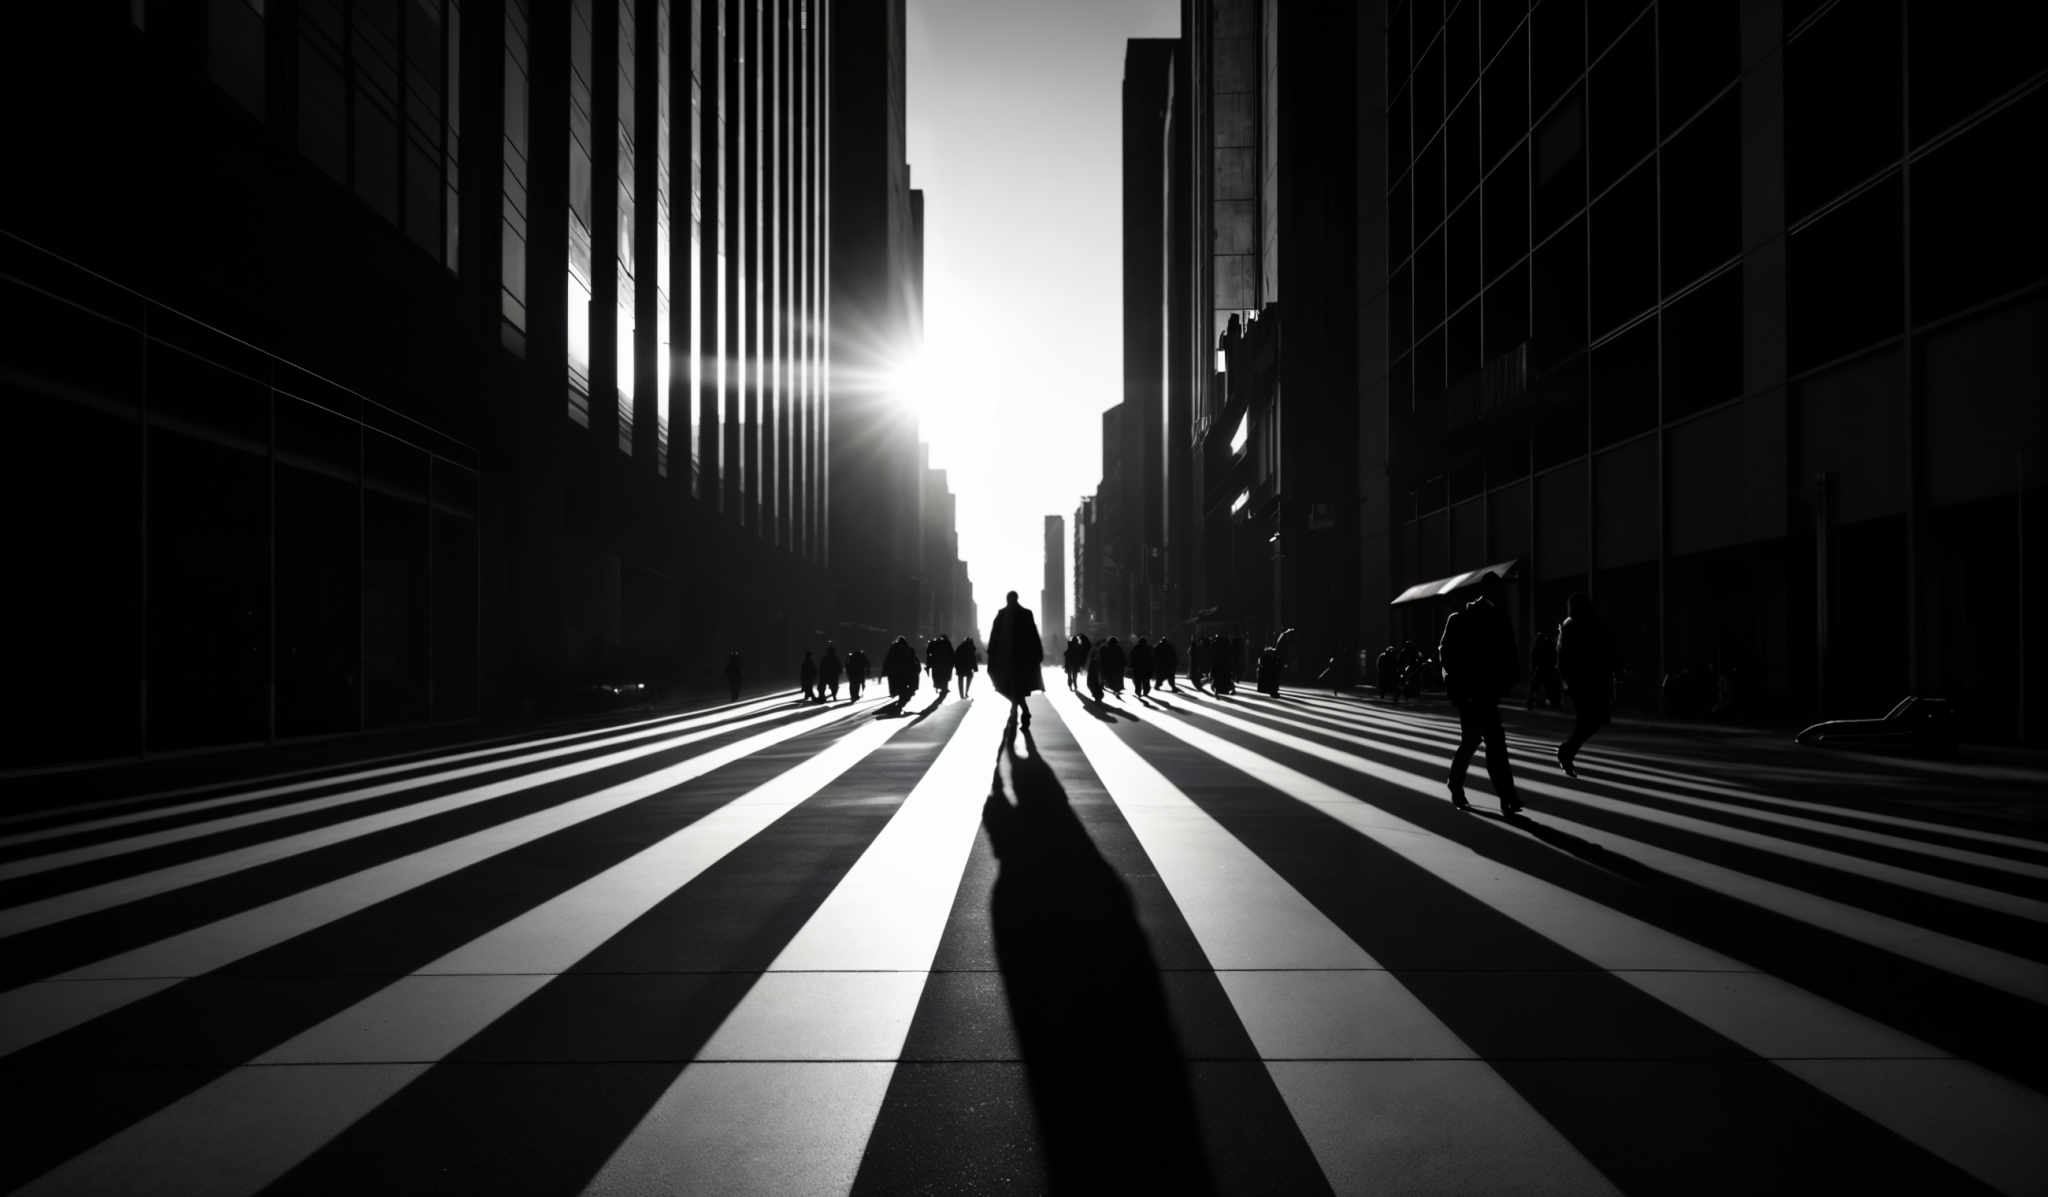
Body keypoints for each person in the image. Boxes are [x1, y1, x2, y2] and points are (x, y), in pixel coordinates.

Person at [1438, 576, 1523, 814]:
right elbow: (1508, 654)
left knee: (1477, 741)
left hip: (1476, 692)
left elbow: (1447, 656)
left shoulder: (1465, 619)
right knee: (1488, 742)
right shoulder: (1489, 619)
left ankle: (1466, 786)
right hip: (1474, 692)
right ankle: (1505, 797)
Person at [1555, 593, 1616, 777]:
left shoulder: (1572, 625)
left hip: (1586, 681)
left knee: (1591, 721)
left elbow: (1563, 657)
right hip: (1587, 681)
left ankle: (1567, 751)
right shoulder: (1578, 625)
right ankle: (1566, 752)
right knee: (1591, 720)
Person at [986, 590, 1045, 728]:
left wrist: (991, 654)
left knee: (1009, 687)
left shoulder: (1004, 614)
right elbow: (1034, 634)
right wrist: (1038, 653)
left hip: (1008, 659)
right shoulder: (1025, 613)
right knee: (1015, 688)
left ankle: (1019, 711)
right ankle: (1020, 711)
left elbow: (994, 636)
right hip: (1021, 660)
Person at [1526, 629, 1560, 710]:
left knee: (1536, 686)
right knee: (1548, 686)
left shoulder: (1539, 644)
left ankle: (1531, 701)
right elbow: (1553, 655)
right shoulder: (1550, 643)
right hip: (1547, 668)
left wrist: (1534, 668)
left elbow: (1534, 657)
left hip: (1541, 668)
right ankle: (1552, 703)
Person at [883, 636, 920, 706]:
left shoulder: (893, 648)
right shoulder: (908, 649)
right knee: (905, 686)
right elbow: (914, 660)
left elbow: (888, 659)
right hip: (906, 671)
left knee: (898, 686)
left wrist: (885, 670)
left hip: (895, 671)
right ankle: (902, 700)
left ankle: (900, 698)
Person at [926, 634, 955, 699]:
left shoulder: (935, 643)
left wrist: (929, 664)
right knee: (945, 676)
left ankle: (937, 685)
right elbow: (952, 654)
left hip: (936, 663)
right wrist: (952, 663)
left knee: (937, 675)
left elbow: (929, 653)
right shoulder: (947, 644)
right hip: (945, 664)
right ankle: (944, 688)